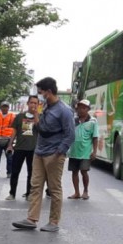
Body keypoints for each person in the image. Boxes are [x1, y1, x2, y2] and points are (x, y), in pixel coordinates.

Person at [12, 77, 76, 232]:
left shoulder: (64, 110)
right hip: (39, 152)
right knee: (35, 186)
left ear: (48, 92)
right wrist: (35, 117)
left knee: (54, 188)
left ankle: (54, 222)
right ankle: (31, 219)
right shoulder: (46, 107)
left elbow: (70, 135)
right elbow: (42, 128)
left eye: (41, 92)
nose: (39, 96)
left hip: (54, 154)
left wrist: (58, 153)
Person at [6, 95, 40, 201]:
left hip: (33, 149)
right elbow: (14, 131)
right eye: (31, 102)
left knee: (31, 173)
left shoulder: (40, 117)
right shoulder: (20, 116)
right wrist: (10, 144)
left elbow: (40, 129)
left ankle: (29, 193)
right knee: (15, 171)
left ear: (38, 105)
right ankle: (12, 193)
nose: (33, 105)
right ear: (28, 103)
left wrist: (36, 116)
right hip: (20, 148)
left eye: (35, 103)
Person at [67, 99, 99, 200]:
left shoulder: (93, 121)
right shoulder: (73, 120)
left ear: (88, 109)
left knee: (84, 171)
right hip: (73, 151)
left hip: (85, 152)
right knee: (74, 172)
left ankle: (85, 191)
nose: (81, 109)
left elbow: (95, 137)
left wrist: (94, 151)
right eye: (79, 107)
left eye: (84, 108)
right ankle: (76, 192)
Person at [0, 101, 15, 177]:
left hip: (8, 140)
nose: (4, 108)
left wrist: (12, 140)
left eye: (6, 107)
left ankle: (9, 172)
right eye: (3, 107)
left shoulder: (12, 116)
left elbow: (15, 128)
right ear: (1, 107)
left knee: (9, 157)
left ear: (8, 108)